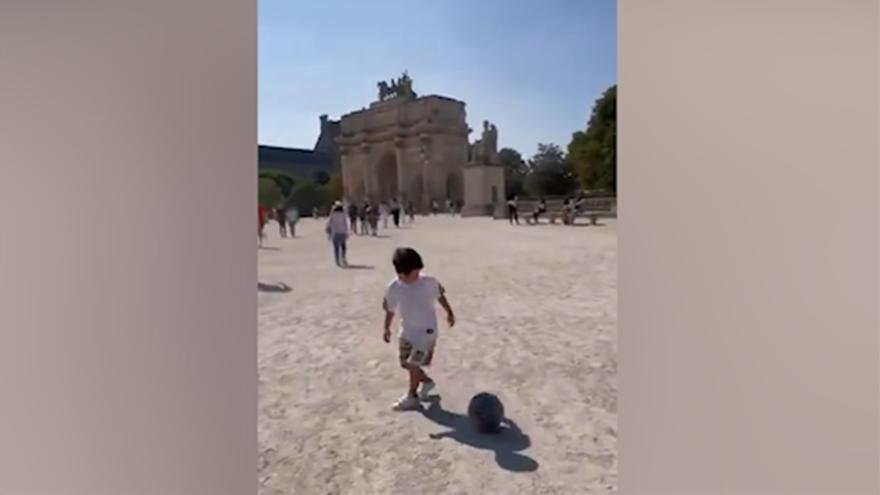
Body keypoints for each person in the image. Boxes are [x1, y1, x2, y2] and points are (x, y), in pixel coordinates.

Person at [382, 247, 456, 411]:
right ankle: (427, 382)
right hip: (407, 331)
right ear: (401, 273)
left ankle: (412, 396)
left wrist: (449, 312)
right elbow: (390, 310)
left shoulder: (429, 282)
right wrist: (386, 328)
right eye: (413, 273)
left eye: (418, 271)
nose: (417, 275)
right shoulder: (394, 288)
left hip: (427, 332)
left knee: (413, 365)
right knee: (405, 364)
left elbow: (440, 296)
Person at [325, 202, 349, 267]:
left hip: (335, 232)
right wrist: (347, 232)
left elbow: (329, 222)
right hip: (342, 231)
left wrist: (328, 229)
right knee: (343, 247)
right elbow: (345, 223)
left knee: (336, 248)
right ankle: (343, 258)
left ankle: (337, 260)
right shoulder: (343, 213)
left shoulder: (332, 214)